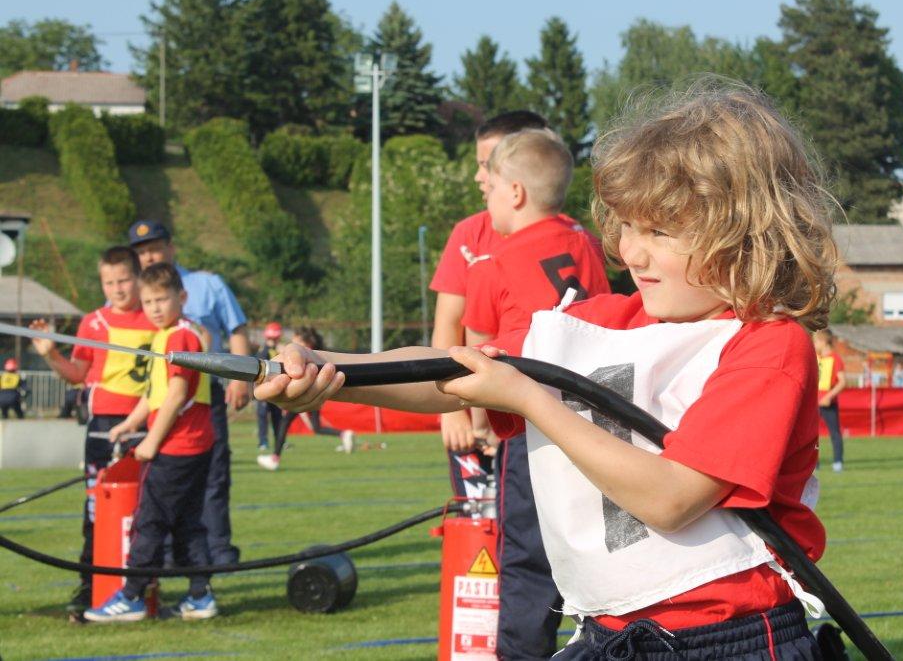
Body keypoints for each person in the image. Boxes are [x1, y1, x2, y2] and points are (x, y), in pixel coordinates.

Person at [256, 79, 834, 659]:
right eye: (628, 226)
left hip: (726, 642)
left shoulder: (768, 344)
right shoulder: (598, 322)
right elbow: (452, 371)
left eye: (660, 231)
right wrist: (327, 366)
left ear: (745, 233)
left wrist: (530, 399)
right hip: (609, 632)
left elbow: (672, 498)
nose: (630, 253)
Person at [461, 128, 610, 659]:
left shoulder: (493, 263)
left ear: (516, 192)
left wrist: (480, 425)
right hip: (598, 423)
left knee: (527, 559)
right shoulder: (587, 245)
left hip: (531, 428)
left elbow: (475, 359)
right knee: (600, 548)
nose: (486, 196)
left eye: (490, 187)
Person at [85, 263, 217, 622]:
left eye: (162, 299)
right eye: (148, 302)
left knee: (150, 521)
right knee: (187, 523)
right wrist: (130, 424)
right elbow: (155, 393)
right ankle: (200, 595)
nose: (155, 308)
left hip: (179, 446)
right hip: (189, 444)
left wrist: (151, 443)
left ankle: (132, 596)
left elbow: (176, 395)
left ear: (181, 297)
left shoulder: (180, 337)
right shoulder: (167, 336)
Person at [430, 110, 550, 502]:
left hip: (543, 416)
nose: (478, 177)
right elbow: (449, 325)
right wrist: (451, 411)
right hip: (479, 413)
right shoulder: (472, 233)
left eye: (488, 165)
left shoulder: (561, 236)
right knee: (484, 523)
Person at [29, 246, 156, 614]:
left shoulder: (155, 318)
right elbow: (76, 375)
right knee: (95, 510)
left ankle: (146, 589)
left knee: (149, 511)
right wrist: (51, 354)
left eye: (123, 280)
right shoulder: (93, 323)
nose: (117, 289)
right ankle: (90, 586)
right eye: (109, 283)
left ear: (138, 278)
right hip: (103, 427)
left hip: (148, 425)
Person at [128, 220, 249, 566]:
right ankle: (169, 559)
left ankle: (218, 552)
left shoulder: (206, 284)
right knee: (162, 486)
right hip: (159, 397)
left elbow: (236, 328)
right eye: (141, 252)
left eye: (154, 248)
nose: (148, 256)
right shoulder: (136, 291)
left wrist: (241, 378)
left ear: (171, 247)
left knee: (213, 477)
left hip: (202, 396)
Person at [257, 326, 352, 471]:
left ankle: (275, 458)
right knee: (316, 427)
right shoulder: (316, 355)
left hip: (305, 392)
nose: (292, 342)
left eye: (295, 339)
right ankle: (343, 434)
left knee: (285, 423)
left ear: (305, 342)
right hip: (314, 392)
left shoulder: (304, 357)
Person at [814, 330, 846, 473]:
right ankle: (814, 463)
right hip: (814, 403)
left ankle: (838, 462)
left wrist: (829, 396)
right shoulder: (815, 357)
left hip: (829, 403)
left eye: (816, 341)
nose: (814, 344)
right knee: (812, 435)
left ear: (823, 342)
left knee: (835, 433)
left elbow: (842, 382)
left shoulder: (835, 359)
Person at [256, 322, 283, 451]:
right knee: (262, 415)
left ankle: (280, 441)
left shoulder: (279, 351)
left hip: (276, 388)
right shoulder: (263, 351)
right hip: (264, 387)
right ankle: (263, 442)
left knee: (277, 416)